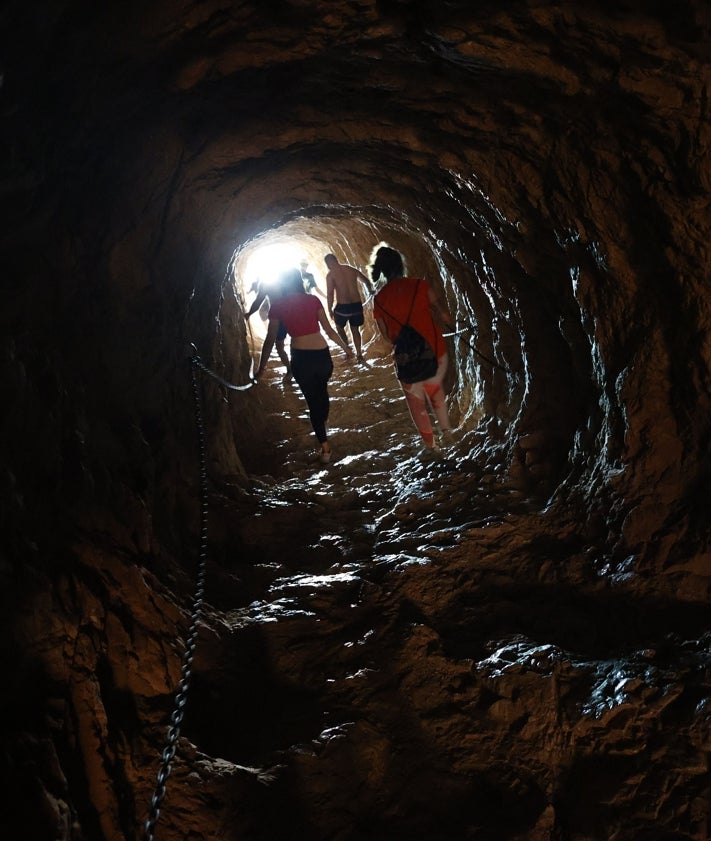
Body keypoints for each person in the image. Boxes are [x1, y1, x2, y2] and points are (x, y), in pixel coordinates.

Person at [255, 267, 354, 463]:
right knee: (322, 393)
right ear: (299, 281)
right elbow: (329, 330)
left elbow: (270, 339)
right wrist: (346, 348)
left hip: (301, 358)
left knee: (312, 402)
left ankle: (325, 448)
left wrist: (261, 368)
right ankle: (322, 425)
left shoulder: (278, 305)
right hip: (322, 355)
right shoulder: (313, 300)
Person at [370, 244, 455, 457]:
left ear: (382, 270)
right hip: (435, 348)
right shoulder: (420, 285)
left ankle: (431, 446)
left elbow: (386, 335)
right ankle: (447, 432)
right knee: (435, 390)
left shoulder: (379, 299)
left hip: (406, 356)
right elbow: (442, 314)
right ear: (401, 265)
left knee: (416, 403)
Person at [324, 253, 374, 363]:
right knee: (355, 329)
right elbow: (366, 281)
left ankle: (348, 350)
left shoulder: (331, 275)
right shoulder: (351, 269)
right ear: (336, 259)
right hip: (356, 305)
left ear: (328, 264)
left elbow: (330, 294)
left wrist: (330, 309)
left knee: (339, 327)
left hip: (343, 307)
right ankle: (359, 354)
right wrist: (370, 291)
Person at [245, 275, 291, 378]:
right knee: (279, 347)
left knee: (270, 342)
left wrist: (249, 314)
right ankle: (290, 369)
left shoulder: (267, 284)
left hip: (277, 314)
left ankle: (261, 371)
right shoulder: (285, 280)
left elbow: (258, 301)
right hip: (288, 314)